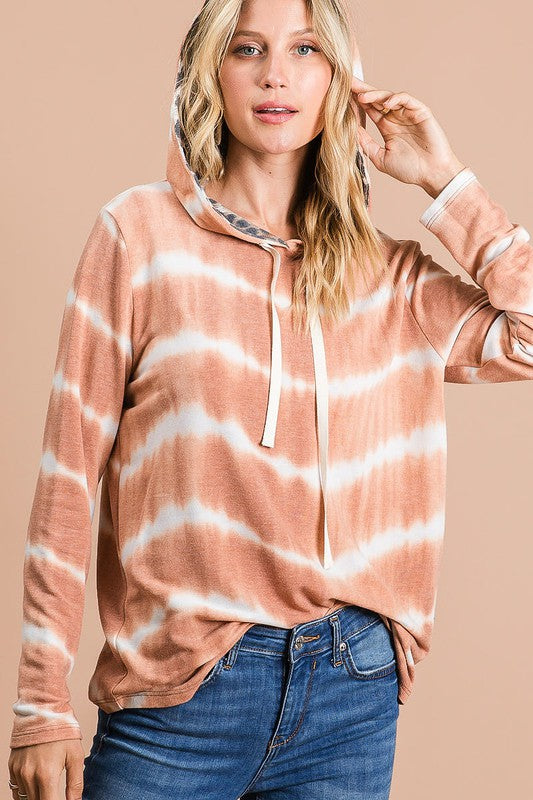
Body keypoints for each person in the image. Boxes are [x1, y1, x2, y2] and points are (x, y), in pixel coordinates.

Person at [8, 0, 533, 797]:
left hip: (349, 694)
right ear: (210, 72)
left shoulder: (390, 278)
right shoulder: (138, 236)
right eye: (247, 48)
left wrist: (443, 179)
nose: (275, 74)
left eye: (306, 50)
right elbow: (68, 477)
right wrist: (41, 705)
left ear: (341, 80)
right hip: (179, 692)